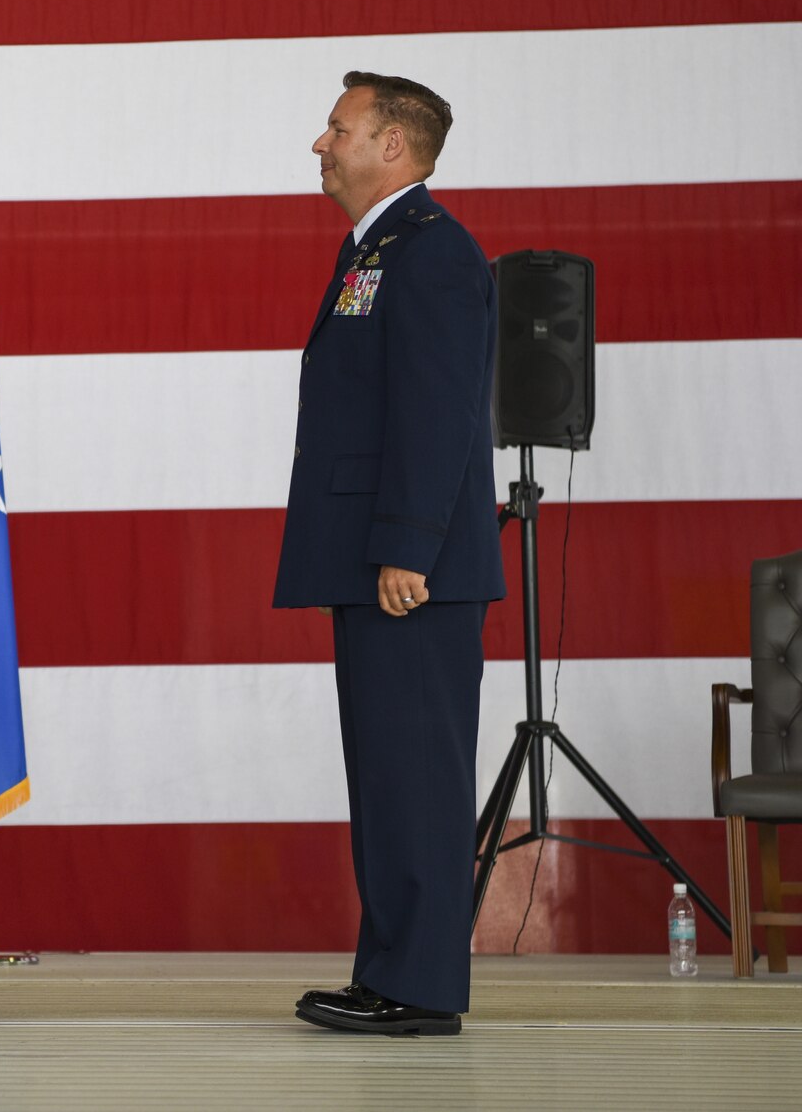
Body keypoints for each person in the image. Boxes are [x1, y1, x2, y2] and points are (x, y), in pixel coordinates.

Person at [275, 71, 505, 1036]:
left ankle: (418, 987)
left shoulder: (434, 253)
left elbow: (438, 411)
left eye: (338, 129)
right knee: (386, 778)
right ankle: (392, 971)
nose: (319, 144)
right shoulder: (379, 249)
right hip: (376, 557)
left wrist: (408, 544)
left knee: (416, 775)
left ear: (393, 148)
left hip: (413, 568)